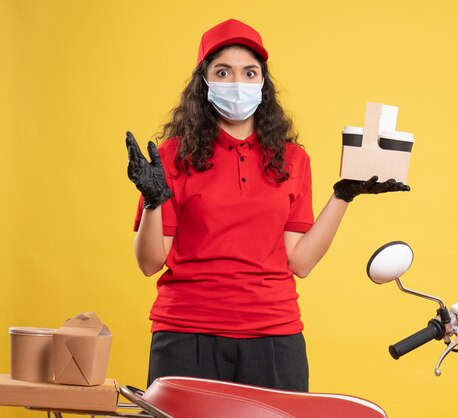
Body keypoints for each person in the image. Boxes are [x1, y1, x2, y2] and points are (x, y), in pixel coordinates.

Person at [126, 18, 410, 392]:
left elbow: (300, 262)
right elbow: (149, 263)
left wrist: (343, 195)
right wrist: (153, 201)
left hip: (274, 336)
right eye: (223, 72)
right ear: (204, 82)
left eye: (249, 72)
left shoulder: (292, 159)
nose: (237, 83)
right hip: (186, 334)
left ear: (263, 83)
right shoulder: (171, 156)